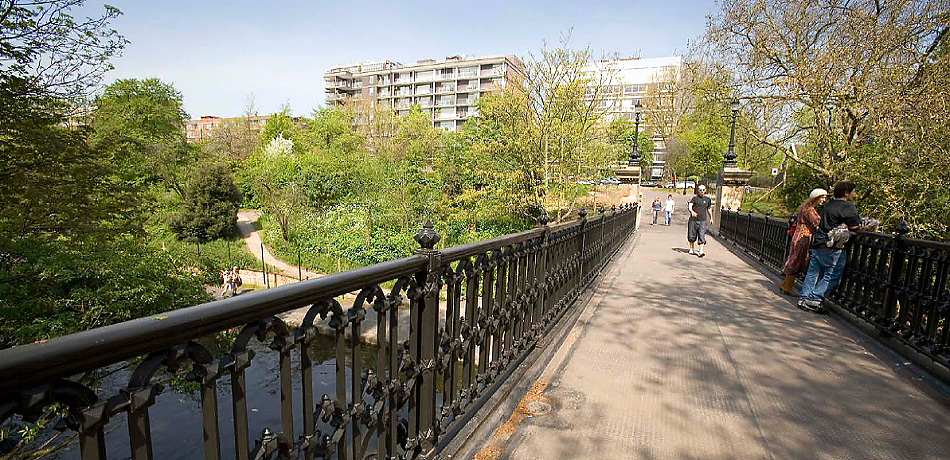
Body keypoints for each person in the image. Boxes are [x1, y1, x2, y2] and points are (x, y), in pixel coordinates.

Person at [798, 181, 862, 313]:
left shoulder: (828, 205)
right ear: (846, 193)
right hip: (834, 245)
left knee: (812, 273)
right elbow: (855, 226)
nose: (854, 194)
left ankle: (804, 298)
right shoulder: (847, 207)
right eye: (853, 192)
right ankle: (814, 299)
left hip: (819, 242)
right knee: (832, 274)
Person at [779, 188, 827, 296]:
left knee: (795, 258)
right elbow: (817, 222)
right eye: (822, 197)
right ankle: (787, 286)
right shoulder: (810, 210)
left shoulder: (805, 208)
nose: (824, 200)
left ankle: (786, 284)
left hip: (798, 235)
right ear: (816, 197)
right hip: (803, 237)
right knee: (797, 260)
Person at [687, 185, 713, 257]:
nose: (702, 191)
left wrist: (711, 218)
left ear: (705, 190)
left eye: (703, 190)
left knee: (702, 234)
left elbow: (709, 208)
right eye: (700, 190)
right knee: (691, 235)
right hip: (693, 220)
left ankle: (701, 251)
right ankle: (691, 249)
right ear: (698, 190)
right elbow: (690, 206)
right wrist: (692, 211)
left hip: (703, 220)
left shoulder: (707, 199)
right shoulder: (694, 198)